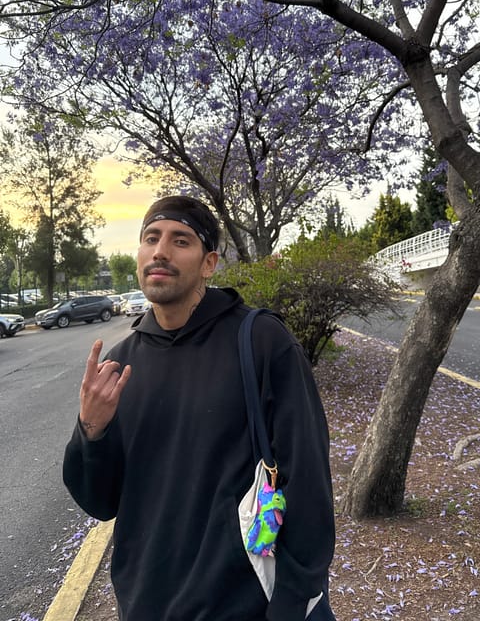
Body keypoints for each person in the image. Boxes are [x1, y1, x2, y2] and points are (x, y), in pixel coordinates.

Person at [63, 195, 335, 621]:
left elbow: (308, 477)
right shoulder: (122, 361)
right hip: (146, 603)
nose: (160, 251)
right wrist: (91, 431)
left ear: (209, 263)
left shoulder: (261, 342)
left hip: (244, 605)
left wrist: (293, 599)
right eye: (151, 238)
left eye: (180, 241)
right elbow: (101, 502)